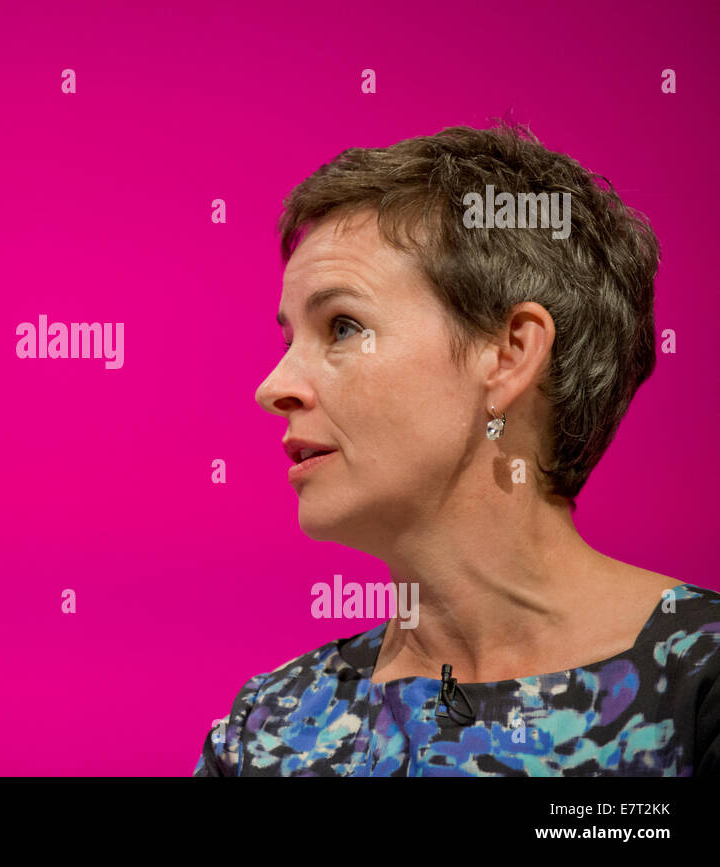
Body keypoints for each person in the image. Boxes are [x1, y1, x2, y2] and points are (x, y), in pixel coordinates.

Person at [193, 123, 720, 776]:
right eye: (287, 341)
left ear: (508, 353)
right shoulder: (266, 727)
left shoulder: (700, 686)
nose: (274, 388)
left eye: (343, 326)